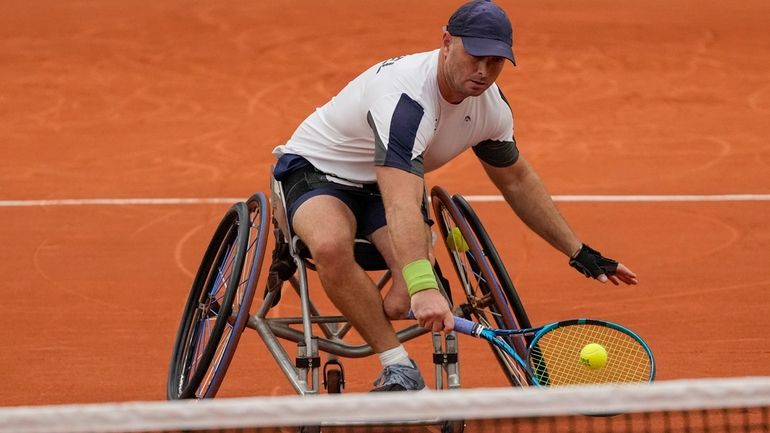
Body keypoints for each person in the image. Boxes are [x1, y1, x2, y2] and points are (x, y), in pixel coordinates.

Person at [271, 0, 638, 392]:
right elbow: (400, 202)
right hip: (318, 173)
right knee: (330, 246)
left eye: (496, 62)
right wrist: (424, 284)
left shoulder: (490, 109)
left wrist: (577, 250)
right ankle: (397, 364)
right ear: (447, 42)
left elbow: (515, 180)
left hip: (384, 186)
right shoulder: (406, 100)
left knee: (400, 299)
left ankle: (374, 315)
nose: (483, 72)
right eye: (475, 56)